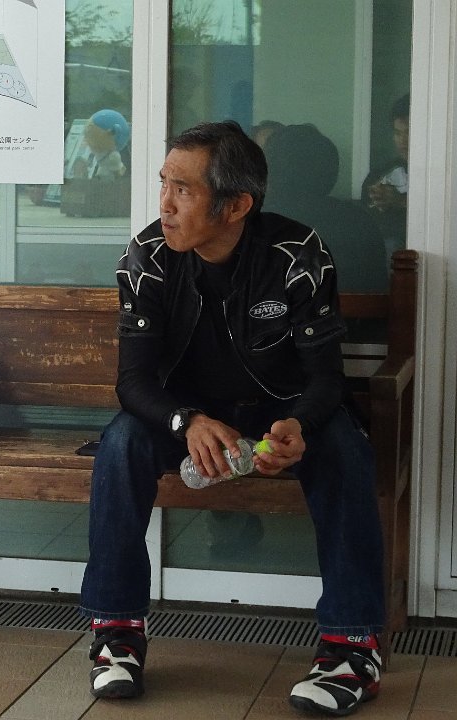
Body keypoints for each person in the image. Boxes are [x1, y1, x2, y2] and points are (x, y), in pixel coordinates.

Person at [79, 121, 385, 716]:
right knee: (121, 445)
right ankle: (116, 634)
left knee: (345, 448)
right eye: (164, 184)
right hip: (188, 416)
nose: (165, 204)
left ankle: (353, 648)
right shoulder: (148, 257)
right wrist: (185, 421)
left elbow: (327, 376)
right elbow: (133, 383)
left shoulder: (297, 255)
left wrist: (300, 425)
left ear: (236, 205)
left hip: (281, 413)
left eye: (184, 190)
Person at [264, 123, 388, 292]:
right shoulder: (359, 221)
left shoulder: (254, 222)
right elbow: (377, 291)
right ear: (331, 170)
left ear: (272, 171)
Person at [361, 94, 409, 260]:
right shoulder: (380, 173)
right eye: (397, 133)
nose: (403, 140)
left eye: (409, 132)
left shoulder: (441, 175)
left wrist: (400, 201)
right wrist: (377, 201)